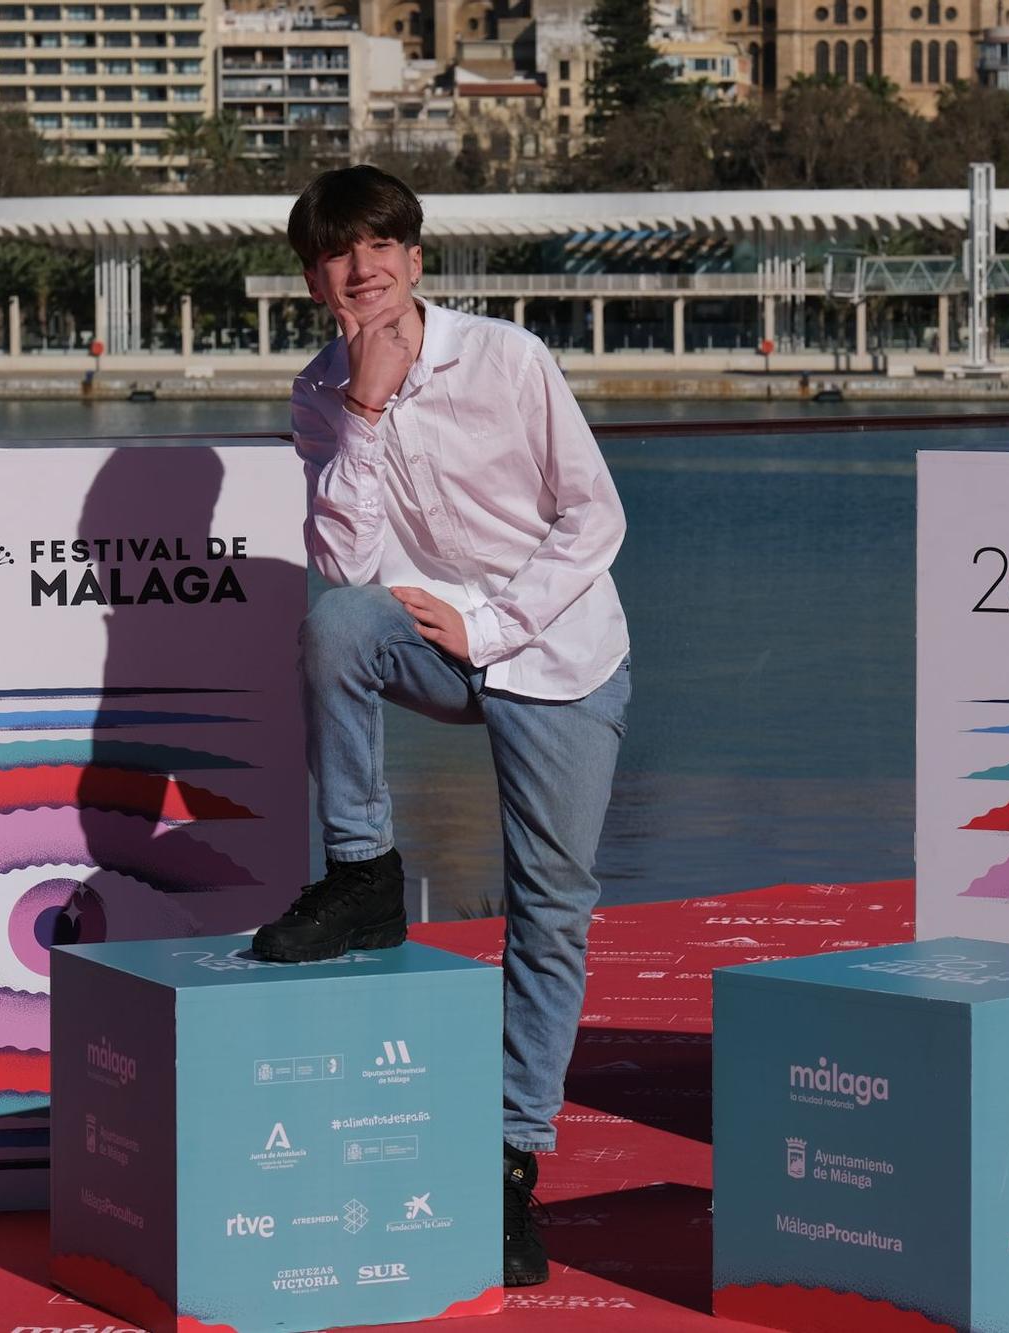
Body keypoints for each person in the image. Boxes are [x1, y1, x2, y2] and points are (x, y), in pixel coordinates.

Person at [250, 165, 632, 1289]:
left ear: (416, 259)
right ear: (314, 280)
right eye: (336, 253)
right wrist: (365, 407)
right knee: (335, 626)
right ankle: (362, 869)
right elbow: (347, 565)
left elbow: (593, 514)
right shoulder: (320, 391)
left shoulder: (508, 360)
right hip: (430, 639)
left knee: (551, 908)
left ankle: (513, 1159)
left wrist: (496, 623)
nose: (361, 268)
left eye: (380, 246)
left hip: (554, 651)